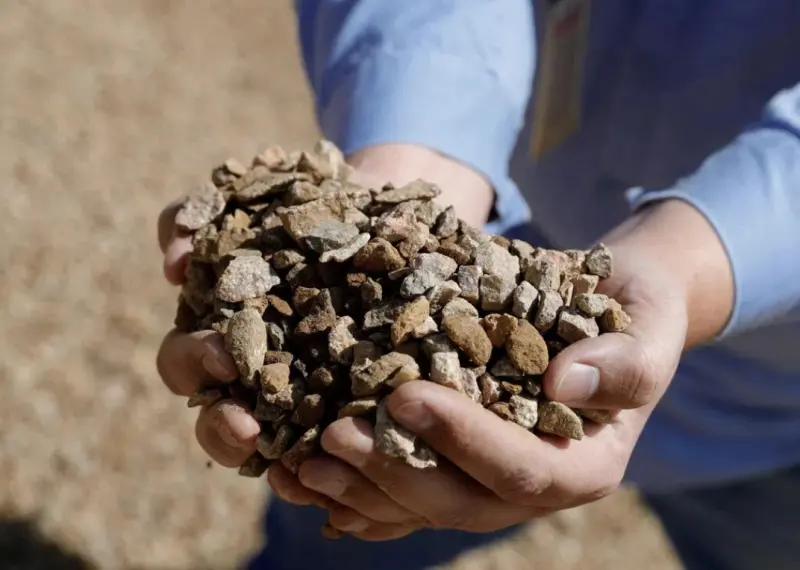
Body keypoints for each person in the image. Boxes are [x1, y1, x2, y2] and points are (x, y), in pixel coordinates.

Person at [155, 1, 800, 569]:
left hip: (768, 414)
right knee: (333, 510)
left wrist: (687, 265)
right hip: (487, 253)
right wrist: (417, 162)